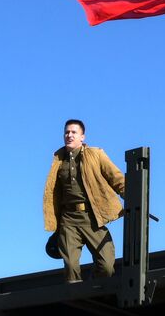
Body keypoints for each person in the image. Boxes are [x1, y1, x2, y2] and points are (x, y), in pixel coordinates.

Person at [42, 120, 126, 282]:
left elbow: (117, 179)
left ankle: (94, 287)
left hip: (93, 217)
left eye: (74, 132)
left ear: (82, 137)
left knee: (107, 266)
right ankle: (76, 297)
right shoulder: (59, 161)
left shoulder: (96, 154)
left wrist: (132, 196)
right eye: (67, 132)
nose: (69, 135)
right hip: (69, 219)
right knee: (71, 268)